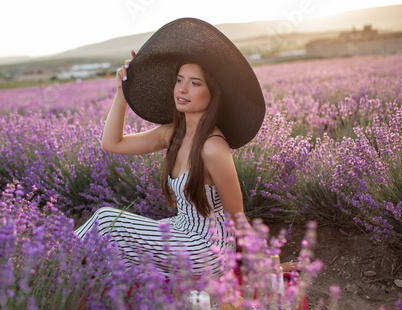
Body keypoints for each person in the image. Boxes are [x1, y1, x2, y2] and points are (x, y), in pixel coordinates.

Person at [74, 18, 268, 278]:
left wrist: (261, 268)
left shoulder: (213, 148)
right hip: (180, 230)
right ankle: (71, 285)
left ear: (213, 93)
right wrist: (123, 91)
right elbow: (112, 143)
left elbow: (237, 217)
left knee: (107, 220)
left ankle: (47, 265)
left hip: (208, 248)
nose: (182, 89)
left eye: (195, 83)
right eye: (179, 80)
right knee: (115, 254)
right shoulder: (172, 134)